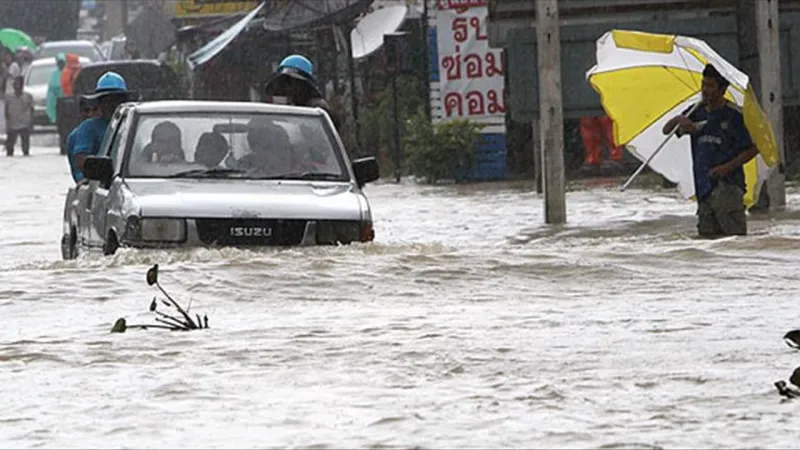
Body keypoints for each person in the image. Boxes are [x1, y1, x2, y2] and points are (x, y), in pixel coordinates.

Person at [662, 63, 760, 238]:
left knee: (734, 241)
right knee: (706, 243)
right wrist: (679, 119)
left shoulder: (734, 116)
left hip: (728, 187)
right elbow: (666, 131)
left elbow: (753, 149)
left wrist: (726, 168)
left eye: (710, 86)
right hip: (704, 189)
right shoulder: (696, 112)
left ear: (722, 89)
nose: (705, 90)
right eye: (703, 84)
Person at [67, 71, 130, 183]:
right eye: (107, 101)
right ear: (100, 103)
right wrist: (104, 171)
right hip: (97, 185)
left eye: (117, 99)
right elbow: (81, 160)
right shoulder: (89, 128)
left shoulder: (130, 126)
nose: (112, 105)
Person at [262, 54, 341, 130]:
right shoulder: (294, 106)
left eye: (292, 82)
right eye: (285, 83)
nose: (288, 88)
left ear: (303, 85)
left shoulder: (316, 109)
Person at [4, 76, 34, 156]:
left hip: (24, 124)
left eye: (19, 84)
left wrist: (31, 123)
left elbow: (31, 110)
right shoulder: (9, 97)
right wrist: (8, 124)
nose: (17, 87)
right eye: (15, 84)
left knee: (25, 150)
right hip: (12, 124)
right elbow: (6, 112)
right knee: (9, 149)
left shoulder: (28, 97)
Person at [46, 52, 66, 125]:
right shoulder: (54, 74)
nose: (61, 64)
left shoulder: (69, 73)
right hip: (58, 102)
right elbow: (51, 91)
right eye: (59, 63)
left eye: (62, 62)